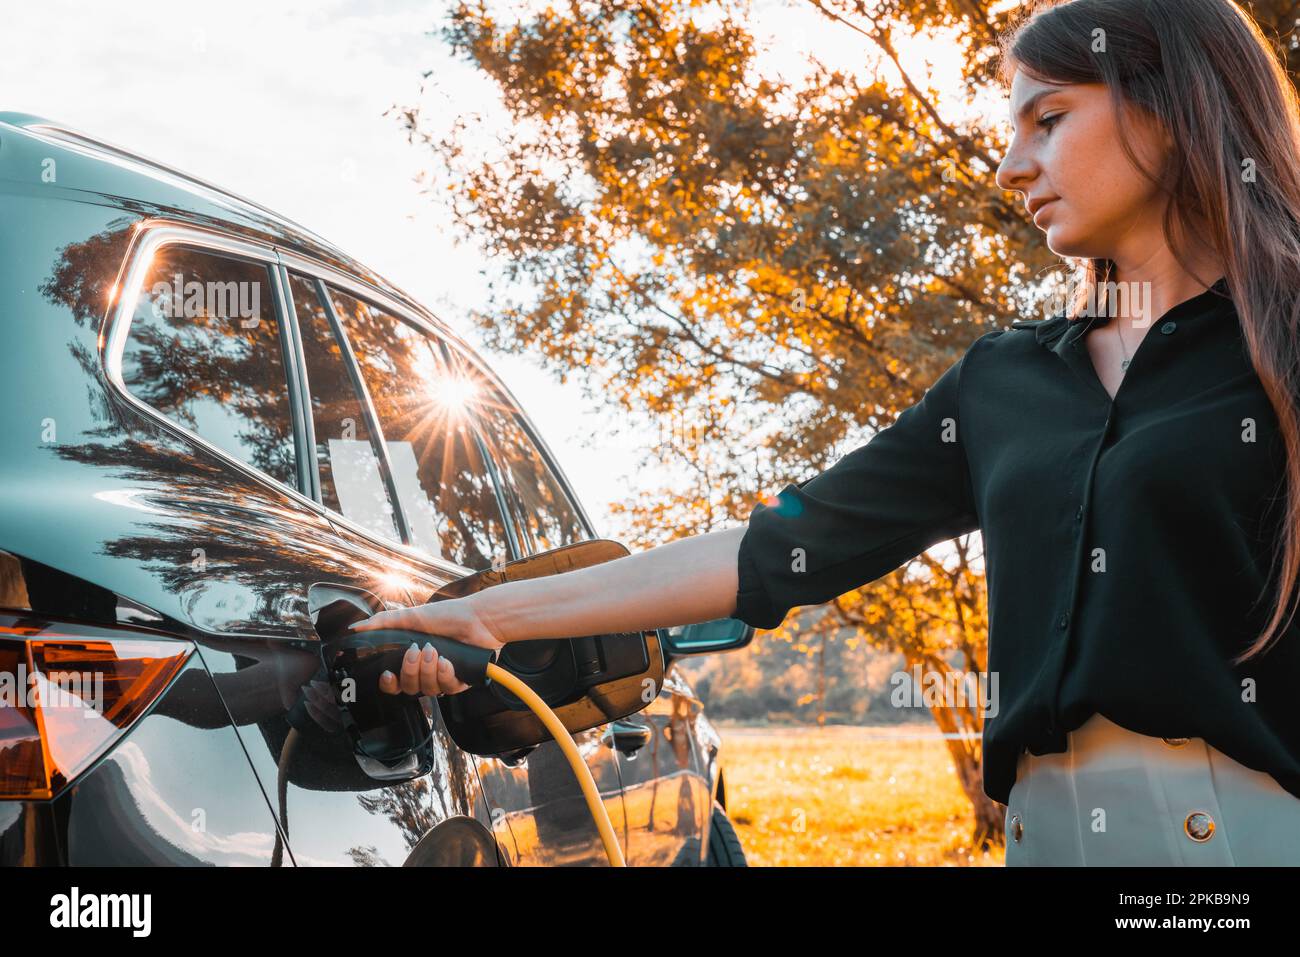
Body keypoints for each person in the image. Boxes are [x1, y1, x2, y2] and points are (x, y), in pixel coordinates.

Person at [350, 0, 1300, 865]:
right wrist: (490, 615)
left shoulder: (1286, 342)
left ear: (1171, 105)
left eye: (1048, 121)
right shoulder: (1005, 381)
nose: (1013, 167)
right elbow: (776, 549)